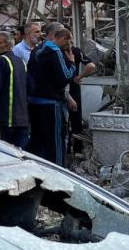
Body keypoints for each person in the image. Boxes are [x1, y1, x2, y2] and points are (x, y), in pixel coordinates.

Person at [26, 28, 77, 167]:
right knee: (56, 142)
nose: (70, 44)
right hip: (51, 104)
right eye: (69, 40)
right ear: (62, 38)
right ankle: (59, 171)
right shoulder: (55, 51)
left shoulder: (36, 50)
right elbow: (65, 76)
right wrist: (72, 64)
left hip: (34, 102)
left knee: (37, 139)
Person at [0, 31, 29, 148]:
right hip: (22, 117)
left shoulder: (1, 61)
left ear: (8, 45)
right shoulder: (21, 62)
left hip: (7, 117)